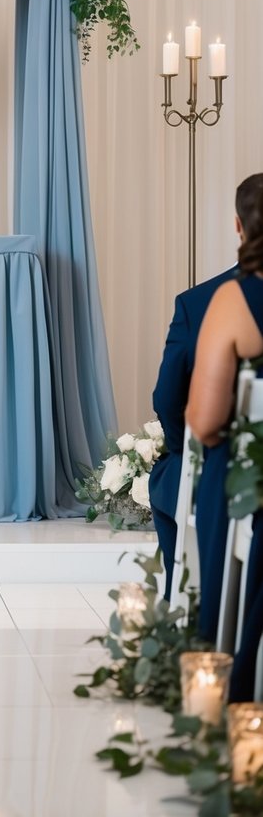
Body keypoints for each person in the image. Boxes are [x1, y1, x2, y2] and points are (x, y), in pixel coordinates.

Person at [150, 174, 263, 605]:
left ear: (239, 226)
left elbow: (172, 401)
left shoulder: (205, 302)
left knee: (168, 476)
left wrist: (185, 451)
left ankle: (187, 608)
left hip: (242, 481)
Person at [187, 176, 263, 688]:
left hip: (256, 492)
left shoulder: (234, 300)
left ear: (239, 227)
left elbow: (205, 420)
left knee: (222, 461)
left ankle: (220, 661)